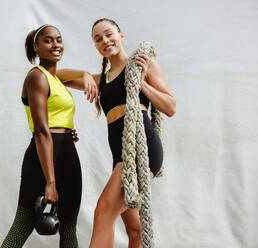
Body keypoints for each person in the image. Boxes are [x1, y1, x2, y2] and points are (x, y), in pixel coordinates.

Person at [58, 18, 176, 248]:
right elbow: (55, 76)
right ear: (95, 45)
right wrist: (83, 74)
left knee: (103, 213)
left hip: (141, 151)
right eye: (98, 38)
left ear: (120, 35)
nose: (105, 40)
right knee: (134, 231)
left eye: (109, 34)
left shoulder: (143, 64)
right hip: (120, 157)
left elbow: (170, 107)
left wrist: (141, 84)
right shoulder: (100, 80)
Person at [0, 24, 96, 248]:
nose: (56, 45)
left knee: (69, 227)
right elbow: (42, 131)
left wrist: (86, 74)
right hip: (41, 157)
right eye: (48, 40)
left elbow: (96, 81)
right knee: (22, 225)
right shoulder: (36, 77)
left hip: (68, 155)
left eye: (59, 40)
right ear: (36, 46)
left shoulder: (57, 79)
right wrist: (50, 182)